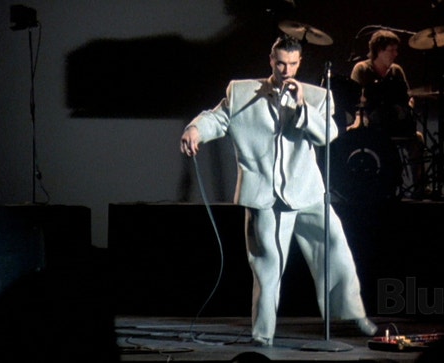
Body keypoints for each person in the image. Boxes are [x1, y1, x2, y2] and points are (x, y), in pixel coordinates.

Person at [180, 35, 377, 347]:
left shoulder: (317, 96)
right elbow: (217, 119)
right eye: (280, 63)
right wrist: (195, 129)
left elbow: (328, 134)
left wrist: (301, 106)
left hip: (307, 190)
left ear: (299, 64)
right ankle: (263, 334)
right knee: (268, 264)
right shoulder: (241, 91)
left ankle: (350, 315)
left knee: (335, 247)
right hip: (265, 194)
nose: (286, 70)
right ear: (271, 60)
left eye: (292, 64)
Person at [349, 29, 428, 200]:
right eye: (391, 50)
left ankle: (420, 188)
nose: (395, 54)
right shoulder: (361, 69)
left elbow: (407, 96)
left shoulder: (396, 71)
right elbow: (352, 100)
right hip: (371, 125)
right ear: (378, 50)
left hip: (394, 124)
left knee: (418, 139)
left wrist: (407, 107)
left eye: (396, 50)